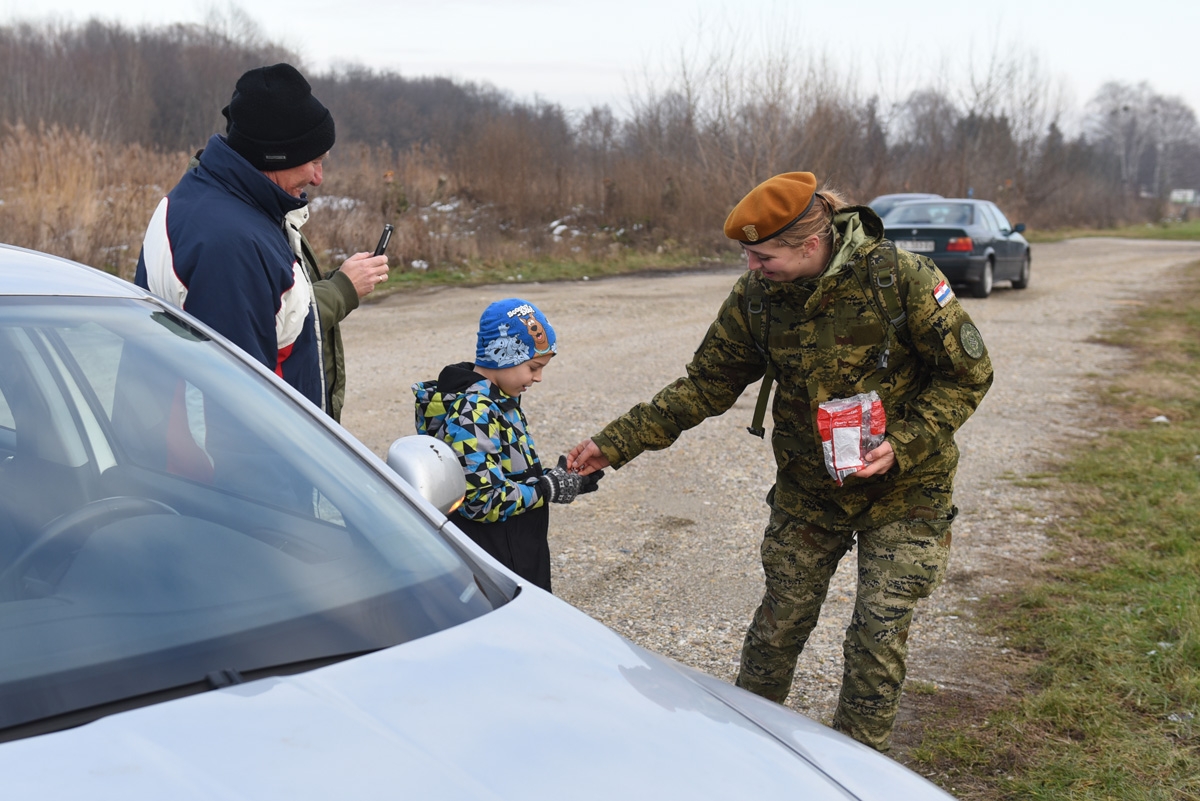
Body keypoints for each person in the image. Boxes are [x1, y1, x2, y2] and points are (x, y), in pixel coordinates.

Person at [568, 171, 994, 751]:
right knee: (777, 627)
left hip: (907, 492)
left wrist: (905, 442)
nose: (752, 266)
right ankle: (746, 751)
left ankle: (857, 769)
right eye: (747, 254)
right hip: (809, 492)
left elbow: (969, 373)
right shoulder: (756, 299)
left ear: (809, 245)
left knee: (877, 633)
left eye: (763, 254)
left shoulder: (900, 279)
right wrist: (614, 443)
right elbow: (705, 385)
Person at [136, 62, 389, 420]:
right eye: (313, 161)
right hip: (246, 468)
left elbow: (276, 317)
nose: (318, 178)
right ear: (275, 155)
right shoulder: (231, 244)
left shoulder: (217, 201)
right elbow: (239, 414)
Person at [414, 298, 603, 592]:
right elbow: (481, 499)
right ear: (503, 357)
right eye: (533, 367)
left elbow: (503, 473)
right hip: (499, 564)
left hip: (517, 552)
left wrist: (562, 479)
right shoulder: (474, 411)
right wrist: (546, 488)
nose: (538, 378)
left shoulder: (497, 399)